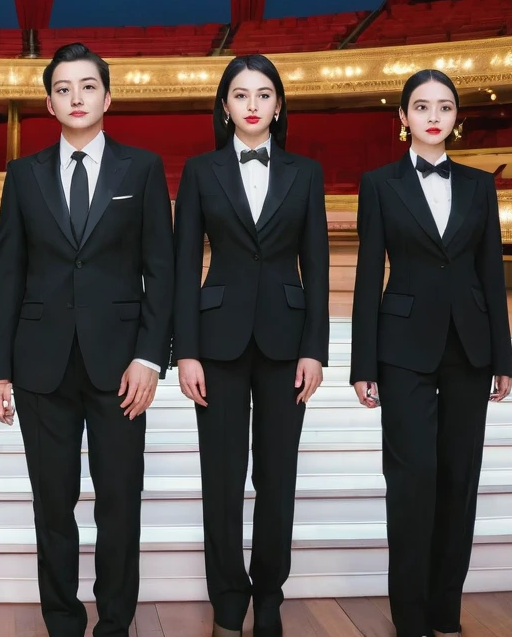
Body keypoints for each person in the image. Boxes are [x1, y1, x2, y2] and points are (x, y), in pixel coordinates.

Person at [0, 42, 174, 637]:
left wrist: (150, 356)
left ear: (107, 97)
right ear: (48, 102)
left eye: (87, 86)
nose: (76, 97)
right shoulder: (23, 174)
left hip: (121, 367)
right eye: (63, 88)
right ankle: (62, 622)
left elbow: (161, 271)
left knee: (120, 503)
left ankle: (115, 621)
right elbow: (9, 270)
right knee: (53, 505)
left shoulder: (140, 169)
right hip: (40, 365)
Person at [350, 69, 512, 637]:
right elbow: (369, 276)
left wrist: (504, 358)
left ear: (456, 118)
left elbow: (491, 273)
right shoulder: (378, 184)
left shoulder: (480, 185)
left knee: (459, 477)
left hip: (471, 347)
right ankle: (411, 616)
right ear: (403, 119)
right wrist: (362, 364)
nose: (434, 116)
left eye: (444, 106)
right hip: (401, 349)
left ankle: (446, 609)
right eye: (421, 106)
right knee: (412, 476)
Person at [173, 53, 329, 637]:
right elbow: (185, 265)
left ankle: (269, 599)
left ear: (279, 105)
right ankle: (227, 605)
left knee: (277, 479)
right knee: (222, 480)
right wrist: (184, 350)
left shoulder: (305, 173)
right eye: (241, 95)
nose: (253, 105)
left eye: (264, 95)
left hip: (289, 346)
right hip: (215, 345)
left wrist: (315, 349)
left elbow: (316, 264)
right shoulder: (198, 170)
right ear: (225, 106)